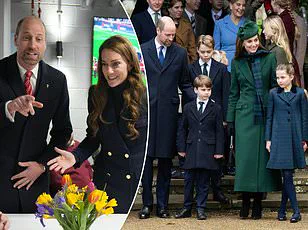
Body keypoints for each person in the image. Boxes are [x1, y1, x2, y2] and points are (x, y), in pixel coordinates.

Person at [47, 35, 148, 214]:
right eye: (103, 64)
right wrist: (75, 157)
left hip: (133, 179)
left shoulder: (144, 96)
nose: (108, 71)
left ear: (130, 64)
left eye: (115, 64)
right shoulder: (96, 94)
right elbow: (94, 137)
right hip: (106, 181)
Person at [0, 16, 72, 213]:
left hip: (37, 181)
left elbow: (63, 132)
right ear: (15, 39)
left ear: (44, 43)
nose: (32, 45)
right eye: (26, 38)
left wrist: (42, 165)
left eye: (38, 39)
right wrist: (9, 108)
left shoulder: (58, 80)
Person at [226, 21, 281, 220]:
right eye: (249, 41)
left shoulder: (269, 58)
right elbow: (234, 92)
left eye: (255, 40)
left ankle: (258, 203)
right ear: (242, 43)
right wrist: (230, 119)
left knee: (261, 161)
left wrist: (277, 113)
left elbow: (275, 88)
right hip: (244, 115)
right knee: (246, 161)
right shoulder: (237, 62)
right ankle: (246, 202)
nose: (253, 44)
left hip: (265, 113)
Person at [139, 16, 192, 219]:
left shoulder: (179, 53)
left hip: (169, 115)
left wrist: (197, 102)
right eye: (168, 34)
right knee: (146, 162)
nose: (171, 38)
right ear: (158, 31)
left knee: (165, 163)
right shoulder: (143, 50)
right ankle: (146, 205)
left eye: (173, 34)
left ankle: (162, 206)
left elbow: (185, 83)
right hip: (146, 114)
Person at [175, 75, 224, 220]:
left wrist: (219, 151)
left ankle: (201, 208)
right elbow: (182, 129)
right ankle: (187, 207)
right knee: (189, 181)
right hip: (191, 148)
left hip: (208, 149)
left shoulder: (216, 108)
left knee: (203, 181)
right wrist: (181, 148)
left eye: (208, 89)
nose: (206, 92)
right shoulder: (188, 107)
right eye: (203, 89)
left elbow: (219, 131)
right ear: (195, 90)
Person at [187, 35, 231, 199]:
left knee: (217, 155)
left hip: (217, 116)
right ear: (197, 50)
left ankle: (217, 189)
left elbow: (226, 93)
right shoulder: (191, 68)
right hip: (198, 115)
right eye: (203, 52)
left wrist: (226, 117)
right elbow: (188, 89)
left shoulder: (221, 68)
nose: (206, 55)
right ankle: (198, 193)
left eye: (209, 52)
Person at [265, 64, 308, 223]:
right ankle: (296, 210)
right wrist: (268, 139)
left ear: (291, 77)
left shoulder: (300, 94)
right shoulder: (273, 93)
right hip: (278, 137)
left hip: (295, 137)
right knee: (287, 174)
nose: (279, 80)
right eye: (278, 77)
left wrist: (304, 139)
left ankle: (282, 209)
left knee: (287, 174)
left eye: (282, 77)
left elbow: (304, 118)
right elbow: (269, 117)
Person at [271, 0, 301, 86]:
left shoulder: (282, 20)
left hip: (286, 60)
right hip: (288, 58)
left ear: (276, 3)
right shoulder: (285, 17)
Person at [214, 0, 246, 72]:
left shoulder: (248, 24)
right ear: (231, 6)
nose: (241, 8)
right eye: (238, 4)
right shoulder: (220, 24)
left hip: (244, 66)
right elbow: (216, 50)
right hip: (226, 67)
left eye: (243, 5)